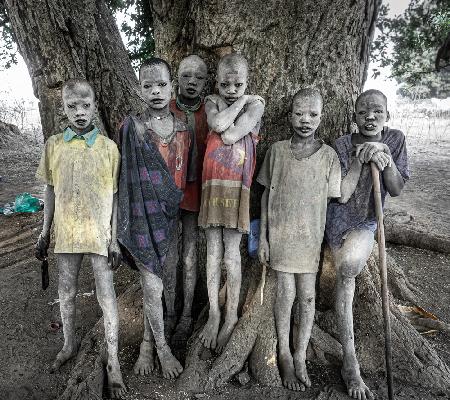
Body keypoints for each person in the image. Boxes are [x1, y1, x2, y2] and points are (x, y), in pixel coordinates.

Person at [35, 79, 126, 398]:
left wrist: (114, 239)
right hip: (67, 233)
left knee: (106, 294)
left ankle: (113, 360)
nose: (79, 112)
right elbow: (49, 189)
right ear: (63, 109)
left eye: (85, 105)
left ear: (94, 106)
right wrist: (44, 231)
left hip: (100, 235)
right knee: (67, 290)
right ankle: (69, 343)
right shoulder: (54, 145)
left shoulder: (108, 149)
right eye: (72, 106)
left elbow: (115, 197)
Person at [325, 89, 409, 400]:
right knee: (345, 276)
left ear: (387, 115)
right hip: (336, 222)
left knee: (348, 267)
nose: (369, 116)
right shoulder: (342, 145)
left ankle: (351, 363)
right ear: (355, 116)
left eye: (376, 111)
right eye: (362, 112)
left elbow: (396, 189)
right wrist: (360, 163)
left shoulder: (396, 139)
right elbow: (339, 194)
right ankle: (350, 363)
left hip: (365, 223)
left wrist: (386, 161)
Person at [257, 88, 341, 391]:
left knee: (307, 297)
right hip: (281, 238)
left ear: (322, 116)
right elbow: (265, 195)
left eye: (313, 115)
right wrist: (264, 238)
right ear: (289, 115)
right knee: (285, 294)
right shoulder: (277, 151)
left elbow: (336, 196)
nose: (305, 120)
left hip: (309, 240)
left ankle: (301, 353)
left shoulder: (329, 156)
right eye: (299, 113)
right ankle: (283, 352)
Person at [117, 58, 192, 379]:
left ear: (171, 86)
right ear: (139, 90)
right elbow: (123, 180)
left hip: (171, 218)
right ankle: (161, 349)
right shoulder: (131, 128)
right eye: (148, 85)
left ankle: (149, 341)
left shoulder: (184, 127)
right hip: (141, 219)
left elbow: (187, 177)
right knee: (151, 284)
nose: (156, 91)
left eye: (161, 84)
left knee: (167, 281)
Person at [198, 53, 265, 352]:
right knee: (212, 254)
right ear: (216, 82)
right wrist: (239, 102)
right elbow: (217, 123)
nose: (232, 88)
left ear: (247, 82)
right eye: (225, 83)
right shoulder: (212, 100)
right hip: (212, 186)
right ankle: (214, 314)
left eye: (239, 84)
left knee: (232, 255)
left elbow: (231, 134)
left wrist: (242, 104)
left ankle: (231, 317)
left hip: (238, 188)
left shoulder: (257, 103)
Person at [169, 55, 209, 345]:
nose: (192, 82)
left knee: (190, 253)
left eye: (198, 77)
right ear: (176, 79)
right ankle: (169, 312)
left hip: (197, 192)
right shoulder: (165, 109)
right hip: (169, 192)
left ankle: (186, 316)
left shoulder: (212, 111)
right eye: (186, 76)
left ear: (206, 82)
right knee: (170, 255)